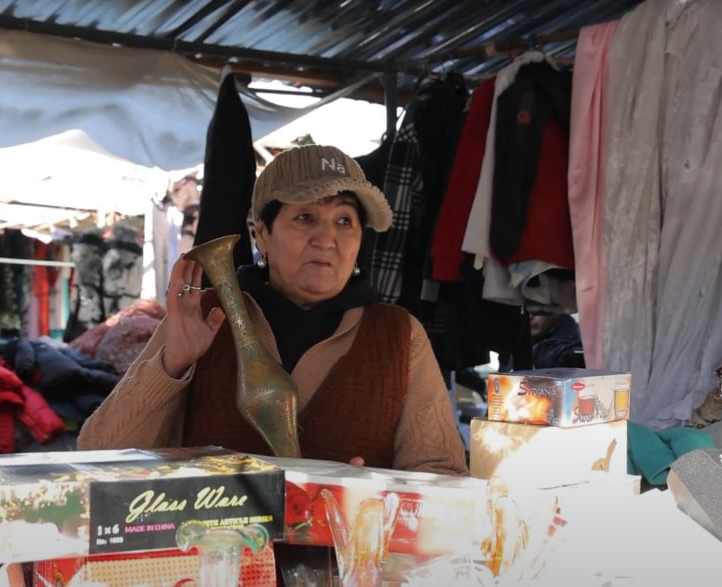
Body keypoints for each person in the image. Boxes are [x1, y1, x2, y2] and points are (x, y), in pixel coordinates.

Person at [78, 145, 467, 476]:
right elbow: (98, 458)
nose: (326, 238)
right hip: (216, 560)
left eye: (345, 221)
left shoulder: (397, 335)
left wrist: (372, 502)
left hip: (348, 564)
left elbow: (441, 474)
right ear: (261, 234)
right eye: (305, 217)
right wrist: (171, 365)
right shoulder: (207, 316)